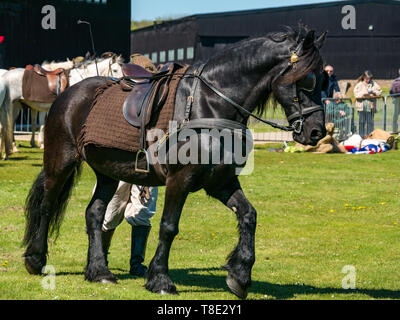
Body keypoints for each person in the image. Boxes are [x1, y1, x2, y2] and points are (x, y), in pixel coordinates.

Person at [101, 183, 158, 277]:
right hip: (119, 170)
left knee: (142, 212)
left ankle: (137, 265)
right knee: (111, 214)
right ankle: (101, 259)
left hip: (147, 171)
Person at [353, 70, 382, 137]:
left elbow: (380, 92)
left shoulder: (374, 84)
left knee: (370, 122)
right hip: (361, 106)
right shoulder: (359, 85)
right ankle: (361, 136)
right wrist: (363, 93)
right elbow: (356, 94)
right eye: (366, 78)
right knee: (362, 122)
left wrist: (374, 92)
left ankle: (370, 135)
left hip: (370, 106)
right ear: (363, 77)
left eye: (369, 78)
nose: (367, 80)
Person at [390, 68, 400, 132]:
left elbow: (391, 92)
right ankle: (394, 130)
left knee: (395, 116)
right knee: (395, 116)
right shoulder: (396, 81)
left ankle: (394, 130)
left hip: (396, 99)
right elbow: (391, 91)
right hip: (397, 100)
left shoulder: (395, 81)